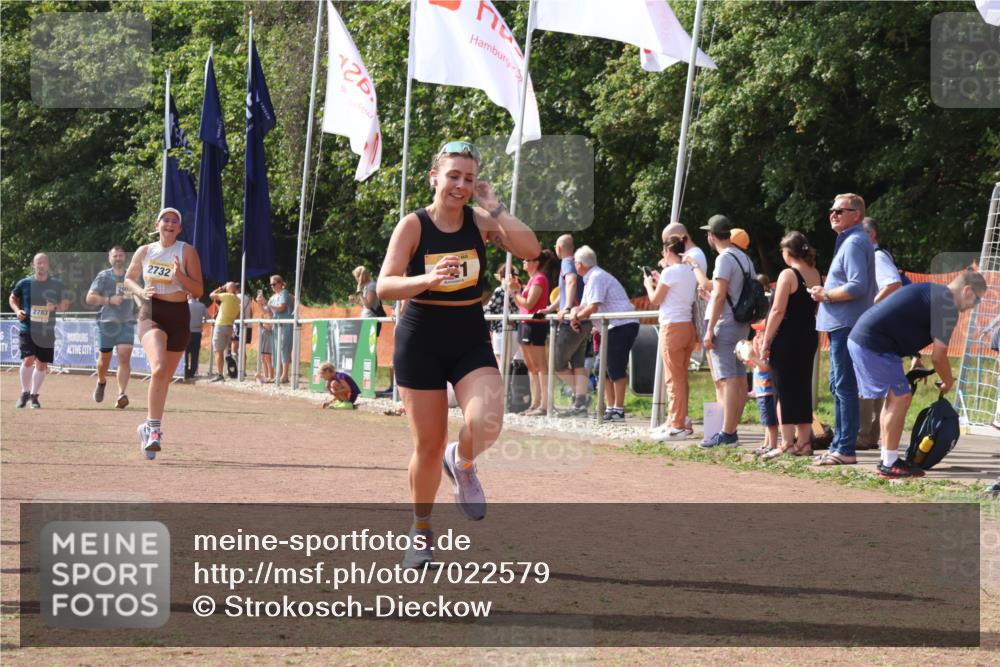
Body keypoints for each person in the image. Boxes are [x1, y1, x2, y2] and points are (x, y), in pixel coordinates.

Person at [376, 140, 540, 568]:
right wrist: (426, 280)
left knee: (487, 421)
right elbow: (385, 286)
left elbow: (530, 251)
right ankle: (421, 530)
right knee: (427, 445)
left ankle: (463, 462)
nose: (460, 185)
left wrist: (496, 206)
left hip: (468, 333)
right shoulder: (413, 225)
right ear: (434, 177)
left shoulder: (480, 219)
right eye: (453, 176)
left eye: (468, 179)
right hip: (421, 337)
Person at [848, 269, 987, 478]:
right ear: (967, 291)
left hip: (865, 338)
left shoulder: (934, 292)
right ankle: (889, 463)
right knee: (900, 397)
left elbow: (902, 318)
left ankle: (888, 458)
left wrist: (915, 356)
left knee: (895, 397)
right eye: (976, 301)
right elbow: (939, 357)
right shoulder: (948, 305)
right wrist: (948, 382)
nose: (973, 307)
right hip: (874, 343)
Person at [124, 207, 203, 459]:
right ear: (157, 224)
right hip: (152, 312)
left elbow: (198, 290)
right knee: (158, 368)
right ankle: (155, 431)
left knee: (165, 377)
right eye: (165, 220)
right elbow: (128, 278)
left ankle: (147, 426)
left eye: (174, 221)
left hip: (179, 314)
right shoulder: (145, 251)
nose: (169, 224)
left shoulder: (186, 251)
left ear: (179, 229)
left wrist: (179, 274)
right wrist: (140, 291)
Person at [808, 194, 876, 466]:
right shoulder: (851, 241)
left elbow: (857, 285)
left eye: (840, 211)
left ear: (856, 215)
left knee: (844, 386)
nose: (833, 214)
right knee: (838, 385)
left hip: (846, 323)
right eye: (832, 210)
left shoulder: (854, 242)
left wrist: (826, 295)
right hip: (842, 323)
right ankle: (839, 444)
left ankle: (845, 448)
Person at [760, 231, 822, 457]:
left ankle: (786, 442)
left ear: (788, 252)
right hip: (808, 335)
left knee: (784, 389)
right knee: (802, 387)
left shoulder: (788, 274)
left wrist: (766, 340)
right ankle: (804, 443)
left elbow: (777, 310)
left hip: (787, 336)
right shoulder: (815, 274)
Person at [698, 214, 758, 447]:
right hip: (742, 323)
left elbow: (721, 294)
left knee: (727, 379)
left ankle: (727, 432)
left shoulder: (724, 259)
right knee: (740, 378)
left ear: (712, 236)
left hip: (726, 323)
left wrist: (709, 329)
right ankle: (730, 430)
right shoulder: (744, 258)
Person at [570, 245, 640, 422]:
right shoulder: (590, 278)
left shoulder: (596, 276)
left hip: (621, 325)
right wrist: (573, 313)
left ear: (580, 264)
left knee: (614, 367)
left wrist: (576, 317)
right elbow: (584, 306)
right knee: (601, 368)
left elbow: (593, 306)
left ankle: (619, 409)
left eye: (575, 262)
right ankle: (611, 407)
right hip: (610, 327)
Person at [857, 216, 905, 451]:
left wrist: (868, 308)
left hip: (875, 329)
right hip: (880, 328)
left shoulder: (876, 257)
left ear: (872, 235)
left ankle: (865, 435)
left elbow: (893, 284)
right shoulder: (874, 257)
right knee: (873, 383)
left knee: (866, 383)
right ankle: (870, 435)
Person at [645, 233, 697, 440]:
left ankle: (676, 424)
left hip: (672, 327)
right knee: (681, 377)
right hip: (687, 325)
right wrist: (661, 279)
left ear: (668, 251)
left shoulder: (669, 272)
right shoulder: (689, 270)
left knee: (673, 379)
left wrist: (649, 285)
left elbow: (655, 300)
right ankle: (677, 419)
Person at [9, 253, 69, 409]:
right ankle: (24, 392)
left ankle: (34, 396)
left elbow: (65, 305)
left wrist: (54, 307)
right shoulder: (24, 283)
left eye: (43, 263)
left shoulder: (57, 284)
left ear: (47, 265)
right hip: (28, 327)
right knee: (28, 358)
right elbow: (12, 297)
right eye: (38, 263)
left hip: (47, 330)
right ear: (33, 265)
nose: (41, 265)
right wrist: (17, 310)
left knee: (42, 364)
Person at [86, 246, 136, 408]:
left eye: (121, 255)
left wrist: (142, 308)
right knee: (104, 360)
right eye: (115, 256)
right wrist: (109, 300)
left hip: (127, 322)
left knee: (124, 357)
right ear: (110, 259)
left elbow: (138, 294)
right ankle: (101, 382)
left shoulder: (132, 275)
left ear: (125, 258)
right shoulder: (104, 276)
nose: (118, 258)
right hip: (106, 322)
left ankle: (121, 394)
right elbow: (90, 298)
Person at [510, 249, 554, 416]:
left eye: (527, 260)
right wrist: (516, 291)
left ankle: (543, 404)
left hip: (534, 325)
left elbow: (528, 305)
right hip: (525, 324)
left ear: (536, 263)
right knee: (531, 367)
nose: (524, 263)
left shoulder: (539, 279)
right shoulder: (531, 280)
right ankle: (535, 403)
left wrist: (515, 292)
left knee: (540, 366)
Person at [551, 234, 590, 417]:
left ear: (559, 248)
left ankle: (582, 396)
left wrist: (566, 308)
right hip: (585, 318)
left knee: (557, 362)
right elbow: (565, 288)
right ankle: (580, 403)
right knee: (577, 362)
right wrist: (551, 307)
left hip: (572, 320)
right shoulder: (577, 262)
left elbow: (571, 282)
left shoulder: (567, 262)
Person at [736, 337, 779, 455]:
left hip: (768, 394)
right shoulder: (758, 362)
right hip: (762, 394)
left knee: (771, 423)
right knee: (766, 423)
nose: (755, 341)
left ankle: (772, 445)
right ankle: (767, 443)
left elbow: (765, 367)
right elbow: (757, 375)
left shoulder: (764, 360)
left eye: (759, 340)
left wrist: (753, 357)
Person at [208, 282, 240, 382]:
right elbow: (237, 315)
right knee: (224, 351)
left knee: (218, 351)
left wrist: (220, 288)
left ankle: (220, 374)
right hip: (229, 326)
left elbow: (211, 295)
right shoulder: (237, 299)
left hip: (221, 325)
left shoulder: (226, 296)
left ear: (228, 288)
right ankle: (226, 371)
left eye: (226, 286)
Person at [267, 274, 295, 384]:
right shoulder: (273, 297)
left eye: (274, 284)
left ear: (280, 283)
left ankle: (285, 375)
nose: (272, 286)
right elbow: (267, 311)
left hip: (285, 324)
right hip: (276, 325)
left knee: (284, 349)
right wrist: (262, 304)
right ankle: (279, 374)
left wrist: (269, 306)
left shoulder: (284, 293)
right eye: (271, 285)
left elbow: (282, 307)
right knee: (276, 349)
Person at [185, 294, 208, 380]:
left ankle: (185, 371)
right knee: (195, 353)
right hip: (197, 332)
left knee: (185, 353)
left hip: (187, 332)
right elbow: (207, 317)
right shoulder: (202, 305)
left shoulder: (185, 305)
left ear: (189, 296)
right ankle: (192, 372)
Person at [255, 291, 274, 383]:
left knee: (267, 356)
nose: (259, 300)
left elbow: (270, 326)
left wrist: (263, 323)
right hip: (263, 333)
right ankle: (266, 376)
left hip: (267, 334)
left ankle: (270, 376)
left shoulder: (268, 309)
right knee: (263, 357)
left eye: (261, 298)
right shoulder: (264, 309)